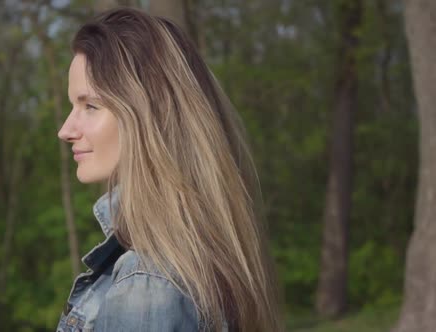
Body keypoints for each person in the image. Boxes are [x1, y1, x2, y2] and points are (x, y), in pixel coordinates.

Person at [57, 7, 283, 332]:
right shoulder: (194, 258)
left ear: (148, 113)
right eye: (72, 106)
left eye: (90, 106)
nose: (65, 129)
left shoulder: (148, 285)